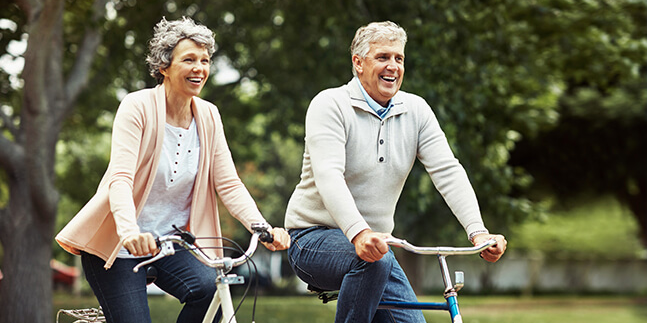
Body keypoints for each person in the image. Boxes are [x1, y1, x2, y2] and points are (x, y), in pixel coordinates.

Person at [56, 17, 290, 323]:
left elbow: (229, 184)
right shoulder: (136, 107)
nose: (199, 69)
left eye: (205, 60)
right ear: (164, 67)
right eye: (189, 60)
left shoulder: (209, 116)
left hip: (172, 244)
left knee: (212, 294)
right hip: (120, 245)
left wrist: (262, 228)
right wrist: (130, 232)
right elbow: (120, 179)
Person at [284, 21, 507, 323]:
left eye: (399, 58)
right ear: (358, 63)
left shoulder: (416, 110)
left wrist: (478, 231)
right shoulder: (330, 104)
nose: (393, 66)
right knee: (375, 261)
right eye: (383, 57)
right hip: (312, 238)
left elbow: (447, 171)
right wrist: (359, 232)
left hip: (378, 248)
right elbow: (328, 176)